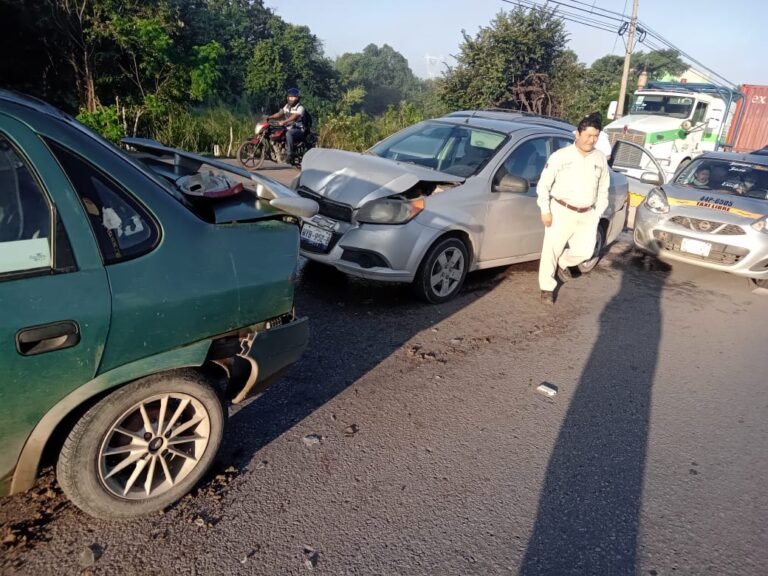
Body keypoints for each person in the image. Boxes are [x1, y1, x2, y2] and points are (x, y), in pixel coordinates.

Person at [537, 113, 610, 304]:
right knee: (550, 251)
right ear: (578, 134)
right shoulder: (561, 156)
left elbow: (604, 188)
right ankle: (546, 288)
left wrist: (597, 212)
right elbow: (543, 184)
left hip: (587, 213)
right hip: (561, 210)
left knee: (585, 252)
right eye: (588, 135)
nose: (591, 140)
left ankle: (564, 262)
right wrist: (545, 209)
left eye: (595, 136)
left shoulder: (600, 159)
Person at [268, 87, 306, 164]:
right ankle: (276, 151)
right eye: (290, 97)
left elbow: (294, 117)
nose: (291, 99)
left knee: (289, 133)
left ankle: (290, 154)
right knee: (275, 131)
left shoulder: (300, 108)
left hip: (299, 129)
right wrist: (270, 117)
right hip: (288, 127)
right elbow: (279, 114)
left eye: (293, 97)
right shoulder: (287, 106)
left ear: (297, 98)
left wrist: (284, 121)